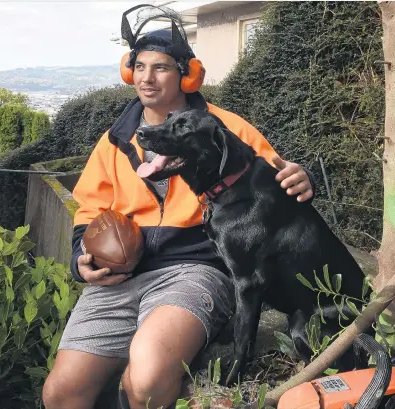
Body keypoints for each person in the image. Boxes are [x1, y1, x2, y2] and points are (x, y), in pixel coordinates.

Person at [42, 23, 316, 409]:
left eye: (162, 68)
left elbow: (276, 176)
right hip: (119, 277)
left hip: (196, 269)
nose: (146, 78)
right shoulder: (114, 141)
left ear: (187, 75)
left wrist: (302, 180)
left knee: (148, 379)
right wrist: (81, 260)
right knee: (61, 392)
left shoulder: (224, 128)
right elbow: (90, 208)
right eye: (139, 67)